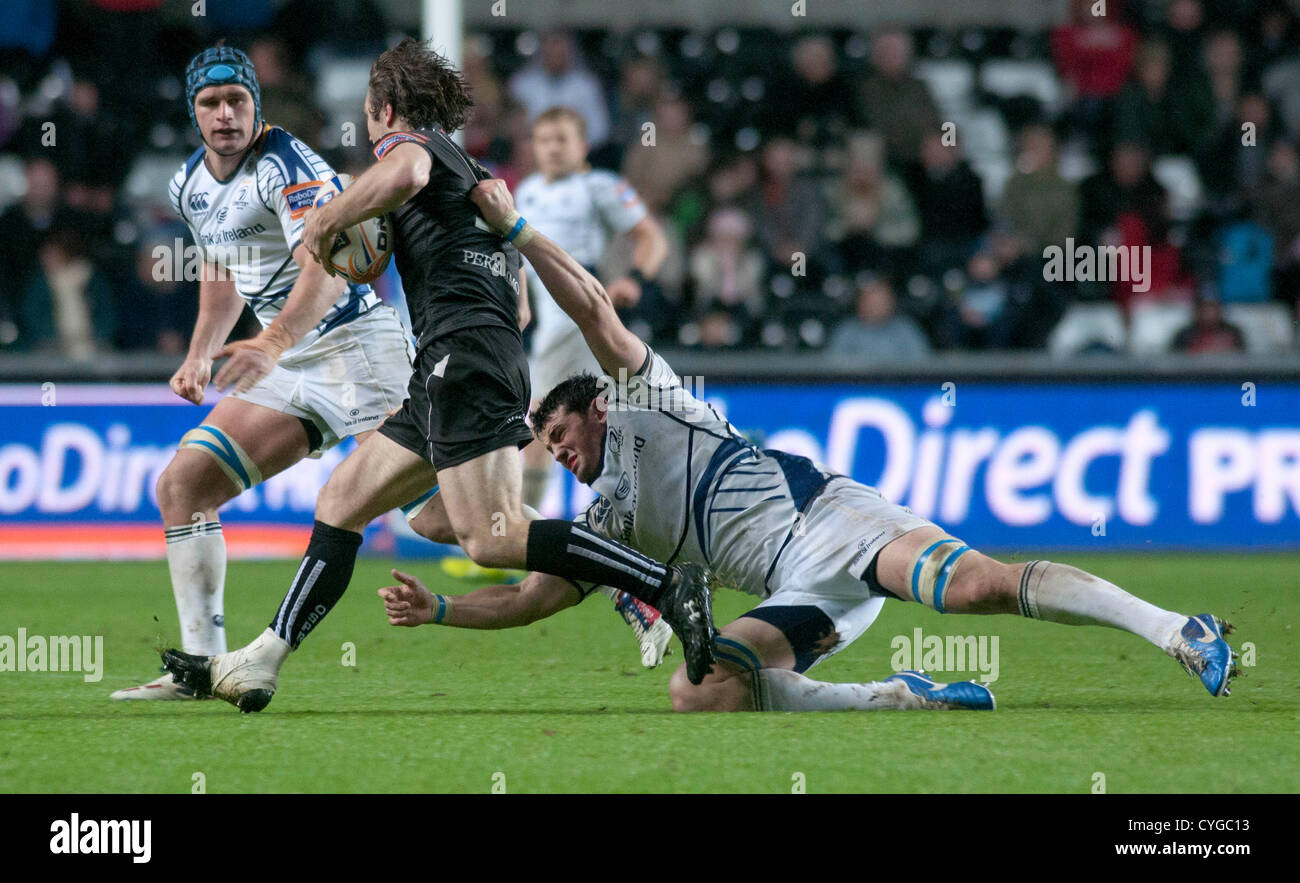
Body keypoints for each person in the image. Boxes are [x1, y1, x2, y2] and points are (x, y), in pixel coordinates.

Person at [374, 174, 1241, 713]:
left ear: (597, 407)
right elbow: (519, 588)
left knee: (977, 587)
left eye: (560, 432)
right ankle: (901, 697)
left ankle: (1176, 629)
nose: (557, 452)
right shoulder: (603, 523)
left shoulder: (655, 400)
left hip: (830, 522)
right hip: (798, 591)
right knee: (698, 688)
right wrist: (442, 600)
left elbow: (596, 310)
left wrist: (519, 234)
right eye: (548, 447)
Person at [161, 39, 715, 713]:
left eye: (370, 115)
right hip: (452, 359)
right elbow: (515, 292)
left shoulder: (409, 149)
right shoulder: (470, 166)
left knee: (490, 534)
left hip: (456, 355)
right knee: (346, 504)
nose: (368, 130)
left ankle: (661, 581)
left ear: (386, 109)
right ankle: (260, 661)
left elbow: (405, 176)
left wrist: (332, 218)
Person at [110, 45, 417, 701]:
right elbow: (223, 271)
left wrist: (271, 342)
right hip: (288, 358)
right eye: (211, 104)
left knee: (451, 522)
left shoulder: (288, 165)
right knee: (183, 484)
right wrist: (199, 353)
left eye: (237, 101)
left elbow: (330, 267)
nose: (225, 115)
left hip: (358, 350)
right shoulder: (188, 183)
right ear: (193, 113)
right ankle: (201, 667)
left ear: (256, 103)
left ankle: (623, 582)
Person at [513, 104, 673, 665]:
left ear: (582, 144)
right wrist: (522, 300)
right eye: (542, 138)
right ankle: (632, 553)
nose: (551, 148)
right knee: (559, 431)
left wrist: (635, 278)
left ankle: (522, 531)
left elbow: (651, 237)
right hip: (551, 323)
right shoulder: (527, 189)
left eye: (562, 138)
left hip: (579, 316)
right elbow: (518, 257)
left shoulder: (600, 185)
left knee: (540, 428)